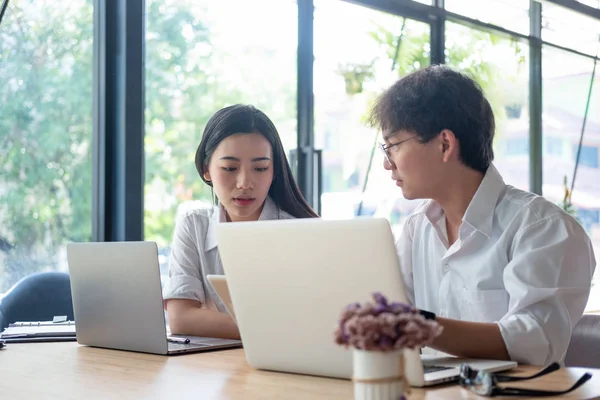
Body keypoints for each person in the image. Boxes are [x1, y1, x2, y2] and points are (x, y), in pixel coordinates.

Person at [368, 65, 596, 366]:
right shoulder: (416, 228)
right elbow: (390, 310)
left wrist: (419, 326)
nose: (388, 164)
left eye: (393, 146)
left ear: (445, 144)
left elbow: (534, 341)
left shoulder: (543, 228)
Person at [163, 104, 318, 339]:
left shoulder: (301, 233)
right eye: (230, 168)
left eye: (260, 168)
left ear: (274, 171)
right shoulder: (194, 224)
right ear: (206, 170)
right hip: (215, 367)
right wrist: (269, 328)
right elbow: (180, 319)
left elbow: (307, 325)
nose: (245, 183)